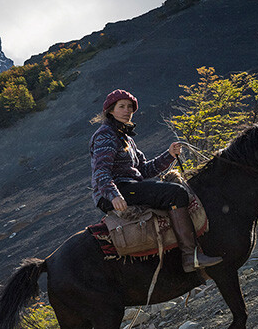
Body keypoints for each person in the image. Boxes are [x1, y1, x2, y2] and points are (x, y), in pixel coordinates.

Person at [90, 90, 222, 272]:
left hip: (130, 186)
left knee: (174, 190)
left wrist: (169, 155)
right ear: (110, 111)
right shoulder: (105, 134)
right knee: (176, 193)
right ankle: (190, 256)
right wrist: (113, 195)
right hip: (117, 191)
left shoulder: (126, 137)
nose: (127, 110)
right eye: (121, 107)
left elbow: (144, 170)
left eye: (130, 107)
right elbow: (101, 171)